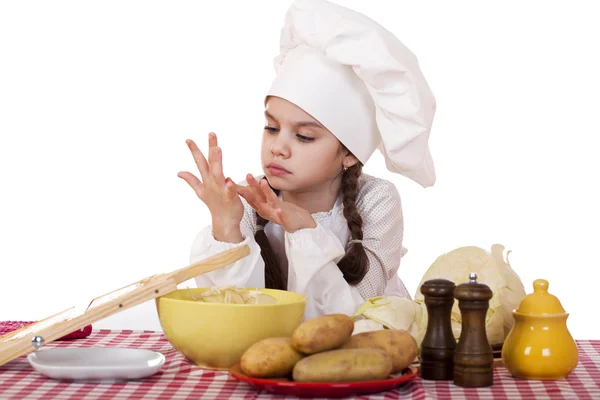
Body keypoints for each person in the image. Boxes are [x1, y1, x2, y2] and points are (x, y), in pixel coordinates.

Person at [177, 0, 437, 320]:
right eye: (272, 128)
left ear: (349, 154)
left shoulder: (377, 201)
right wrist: (227, 226)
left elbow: (353, 315)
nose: (278, 148)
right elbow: (236, 315)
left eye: (304, 137)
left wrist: (304, 230)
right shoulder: (248, 204)